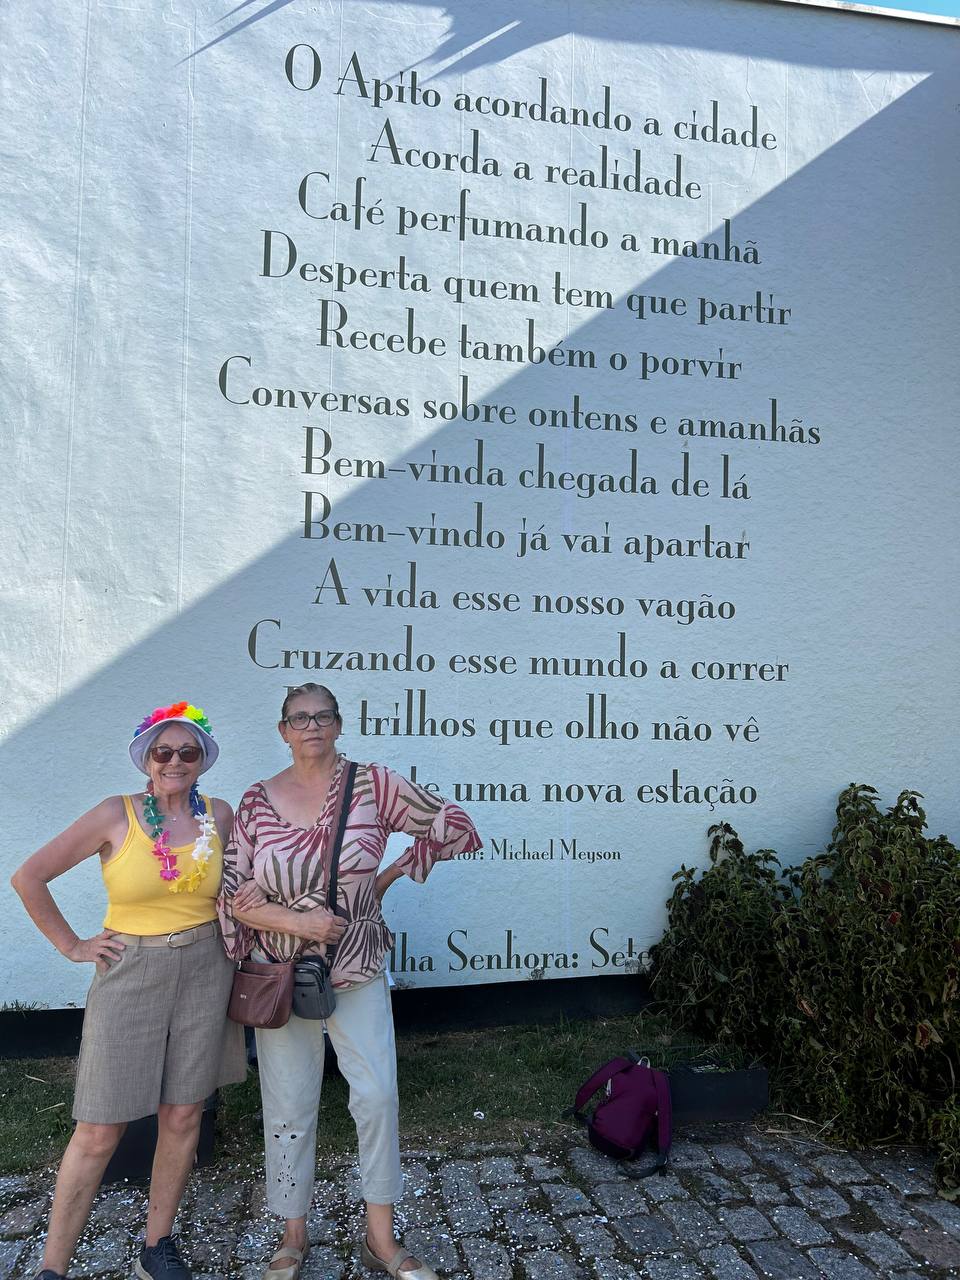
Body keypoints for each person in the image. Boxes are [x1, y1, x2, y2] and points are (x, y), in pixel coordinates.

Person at [220, 682, 482, 1280]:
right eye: (299, 718)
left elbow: (454, 824)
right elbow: (233, 895)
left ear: (339, 724)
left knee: (377, 1094)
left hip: (357, 963)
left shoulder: (374, 785)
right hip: (280, 972)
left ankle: (380, 1237)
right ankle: (292, 1235)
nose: (311, 726)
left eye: (323, 716)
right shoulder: (256, 801)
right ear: (283, 731)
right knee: (287, 1102)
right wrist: (294, 921)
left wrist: (386, 879)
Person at [11, 701, 246, 1280]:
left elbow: (245, 883)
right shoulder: (114, 814)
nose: (174, 761)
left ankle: (155, 1246)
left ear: (202, 760)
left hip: (206, 967)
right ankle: (52, 1267)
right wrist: (72, 945)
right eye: (163, 751)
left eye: (187, 751)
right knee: (99, 1129)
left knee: (184, 1115)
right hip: (131, 969)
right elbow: (29, 876)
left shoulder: (220, 815)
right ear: (146, 758)